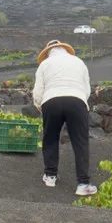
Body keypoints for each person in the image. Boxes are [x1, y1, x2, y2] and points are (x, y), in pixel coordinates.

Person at [32, 40, 96, 196]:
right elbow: (86, 89)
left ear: (48, 52)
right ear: (65, 50)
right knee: (80, 142)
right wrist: (80, 100)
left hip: (51, 100)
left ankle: (50, 176)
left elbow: (38, 91)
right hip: (76, 100)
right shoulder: (79, 62)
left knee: (50, 138)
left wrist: (40, 106)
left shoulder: (44, 64)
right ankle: (83, 184)